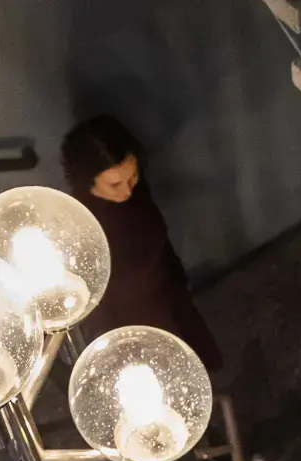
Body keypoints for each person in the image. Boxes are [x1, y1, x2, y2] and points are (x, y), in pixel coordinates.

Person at [59, 115, 224, 371]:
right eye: (114, 184)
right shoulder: (82, 228)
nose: (127, 190)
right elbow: (98, 307)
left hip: (169, 294)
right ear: (87, 179)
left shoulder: (133, 194)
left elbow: (157, 236)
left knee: (201, 367)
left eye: (133, 177)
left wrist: (178, 279)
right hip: (133, 322)